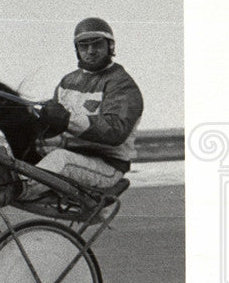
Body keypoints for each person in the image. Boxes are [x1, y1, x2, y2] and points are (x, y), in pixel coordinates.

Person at [18, 17, 144, 202]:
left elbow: (115, 132)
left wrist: (67, 119)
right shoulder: (67, 82)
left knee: (61, 159)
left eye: (97, 45)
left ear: (110, 46)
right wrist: (38, 120)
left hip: (107, 166)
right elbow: (54, 127)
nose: (91, 51)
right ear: (77, 50)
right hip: (73, 155)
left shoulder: (122, 85)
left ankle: (16, 189)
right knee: (13, 148)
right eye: (84, 46)